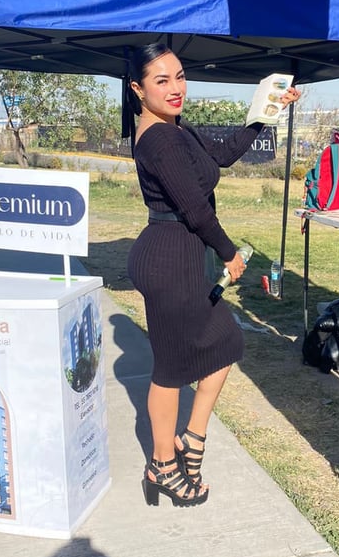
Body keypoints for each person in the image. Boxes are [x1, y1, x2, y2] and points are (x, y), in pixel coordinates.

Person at [124, 43, 300, 508]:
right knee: (169, 371)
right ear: (138, 89)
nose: (175, 88)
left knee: (225, 343)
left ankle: (193, 436)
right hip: (168, 260)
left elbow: (222, 154)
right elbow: (194, 208)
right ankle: (162, 465)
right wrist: (229, 254)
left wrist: (265, 114)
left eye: (180, 76)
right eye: (162, 80)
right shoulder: (158, 139)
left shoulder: (177, 129)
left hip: (182, 256)